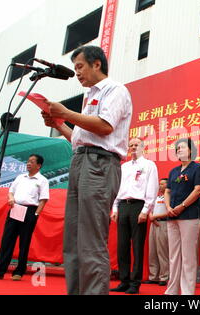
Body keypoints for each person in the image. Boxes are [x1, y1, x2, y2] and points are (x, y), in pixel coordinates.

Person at [41, 45, 132, 295]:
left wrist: (67, 113)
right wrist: (59, 124)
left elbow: (104, 127)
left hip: (100, 165)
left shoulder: (115, 90)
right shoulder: (90, 96)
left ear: (96, 64)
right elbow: (80, 139)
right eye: (75, 68)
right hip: (81, 161)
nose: (77, 73)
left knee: (91, 241)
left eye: (80, 66)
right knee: (73, 241)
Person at [0, 154, 49, 281]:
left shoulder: (42, 180)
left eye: (32, 162)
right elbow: (11, 191)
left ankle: (19, 271)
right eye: (28, 161)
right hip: (15, 209)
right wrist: (11, 199)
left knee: (24, 242)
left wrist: (36, 214)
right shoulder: (20, 177)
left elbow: (43, 200)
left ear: (39, 165)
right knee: (7, 240)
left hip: (30, 211)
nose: (28, 163)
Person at [110, 138, 159, 294]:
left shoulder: (149, 165)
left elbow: (152, 188)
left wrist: (145, 210)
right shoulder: (124, 167)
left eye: (136, 145)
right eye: (131, 145)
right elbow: (118, 188)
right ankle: (124, 280)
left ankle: (135, 283)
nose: (133, 147)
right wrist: (115, 208)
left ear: (143, 147)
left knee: (137, 246)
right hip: (123, 205)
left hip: (139, 206)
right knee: (122, 246)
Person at [164, 138, 200, 295]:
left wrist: (181, 206)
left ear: (190, 150)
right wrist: (169, 207)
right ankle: (172, 291)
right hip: (172, 216)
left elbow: (197, 190)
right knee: (173, 256)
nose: (178, 151)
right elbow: (167, 191)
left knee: (188, 257)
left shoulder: (198, 168)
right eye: (177, 149)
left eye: (181, 148)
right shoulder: (174, 171)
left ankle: (188, 292)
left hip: (188, 216)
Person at [145, 178, 170, 286]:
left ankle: (164, 277)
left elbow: (170, 212)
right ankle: (153, 276)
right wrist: (151, 217)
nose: (160, 186)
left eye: (162, 184)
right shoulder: (156, 197)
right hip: (153, 224)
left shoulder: (169, 197)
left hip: (163, 224)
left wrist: (155, 217)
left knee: (162, 251)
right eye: (159, 184)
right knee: (153, 251)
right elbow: (150, 209)